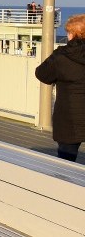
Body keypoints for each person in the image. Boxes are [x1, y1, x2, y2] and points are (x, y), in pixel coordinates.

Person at [35, 14, 85, 162]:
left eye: (69, 32)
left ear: (73, 34)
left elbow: (42, 74)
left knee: (66, 158)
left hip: (69, 115)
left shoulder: (62, 56)